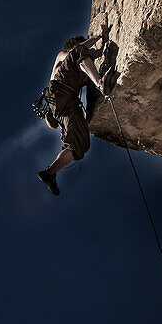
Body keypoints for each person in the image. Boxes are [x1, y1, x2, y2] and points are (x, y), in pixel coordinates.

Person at [37, 22, 113, 196]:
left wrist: (101, 47)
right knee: (79, 54)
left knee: (80, 143)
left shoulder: (75, 68)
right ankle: (100, 83)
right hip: (58, 93)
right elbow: (77, 52)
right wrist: (100, 36)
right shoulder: (62, 56)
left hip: (64, 107)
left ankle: (50, 173)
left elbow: (94, 54)